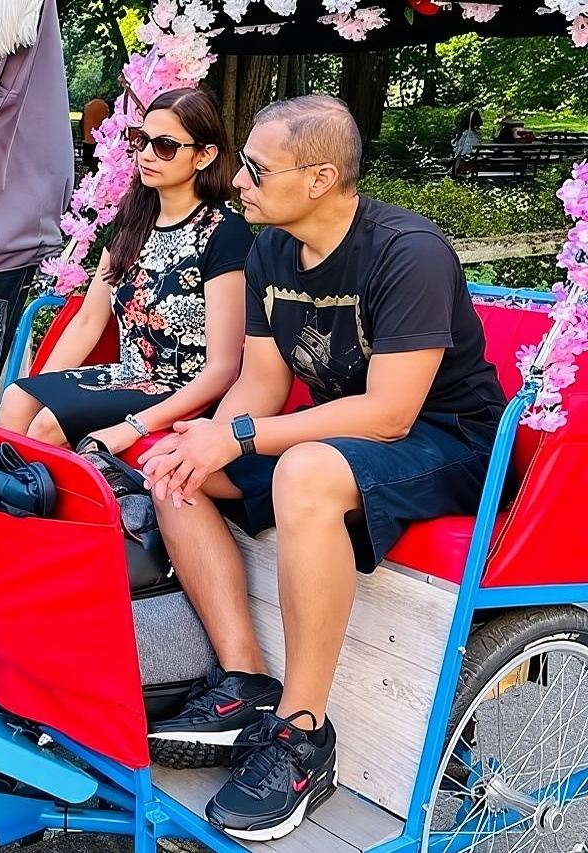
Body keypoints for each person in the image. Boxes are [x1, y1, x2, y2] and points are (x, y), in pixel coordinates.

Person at [141, 95, 506, 841]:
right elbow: (263, 382)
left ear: (320, 178)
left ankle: (303, 735)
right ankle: (245, 681)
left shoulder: (409, 251)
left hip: (452, 438)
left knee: (301, 470)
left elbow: (390, 414)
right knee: (173, 464)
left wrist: (240, 436)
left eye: (255, 167)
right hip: (349, 434)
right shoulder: (270, 247)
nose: (238, 181)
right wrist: (208, 436)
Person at [0, 87, 251, 457]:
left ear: (204, 155)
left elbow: (223, 369)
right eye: (140, 140)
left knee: (49, 424)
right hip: (125, 377)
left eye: (164, 146)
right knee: (18, 398)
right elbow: (89, 320)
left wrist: (133, 426)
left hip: (183, 388)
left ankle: (25, 504)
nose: (146, 154)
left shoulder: (225, 232)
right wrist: (41, 386)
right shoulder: (133, 221)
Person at [81, 89, 112, 171]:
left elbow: (82, 122)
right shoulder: (104, 106)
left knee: (87, 166)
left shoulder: (87, 106)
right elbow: (107, 124)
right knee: (97, 167)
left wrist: (84, 136)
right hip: (99, 143)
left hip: (87, 140)